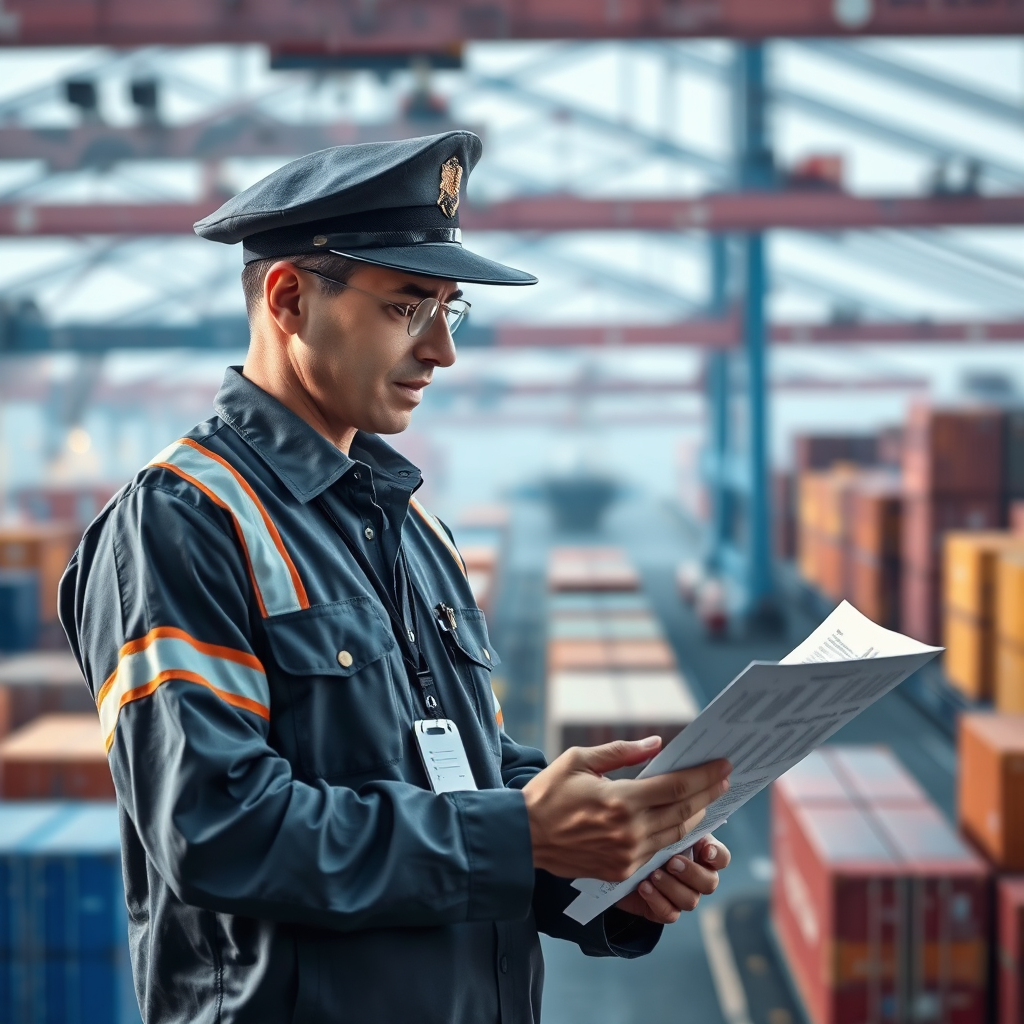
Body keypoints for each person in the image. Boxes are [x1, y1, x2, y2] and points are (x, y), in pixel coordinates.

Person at [59, 131, 732, 1024]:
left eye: (450, 312)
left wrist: (606, 861)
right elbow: (216, 832)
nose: (441, 353)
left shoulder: (417, 529)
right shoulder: (181, 522)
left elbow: (455, 783)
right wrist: (522, 829)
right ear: (290, 298)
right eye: (407, 307)